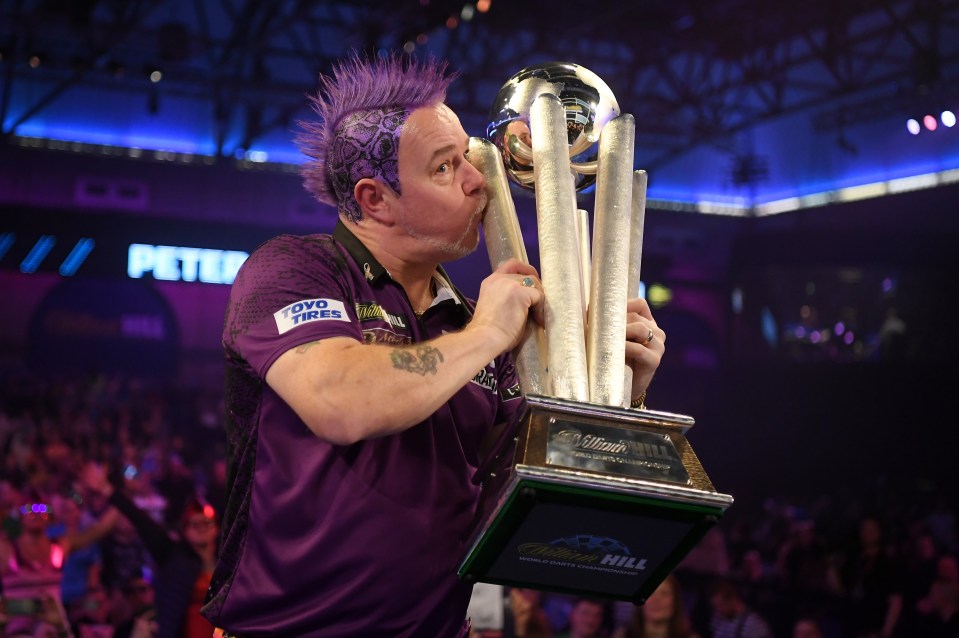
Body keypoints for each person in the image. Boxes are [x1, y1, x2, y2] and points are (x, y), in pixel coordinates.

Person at [199, 54, 665, 637]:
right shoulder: (296, 271)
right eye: (446, 168)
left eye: (467, 156)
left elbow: (547, 497)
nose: (478, 180)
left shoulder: (474, 325)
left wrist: (623, 398)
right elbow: (339, 399)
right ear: (375, 200)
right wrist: (489, 334)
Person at [613, 574, 699, 638]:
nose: (656, 600)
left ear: (675, 601)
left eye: (664, 594)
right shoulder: (623, 635)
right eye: (650, 594)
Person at [708, 579, 773, 638]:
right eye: (715, 607)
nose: (717, 611)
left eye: (720, 605)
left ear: (733, 600)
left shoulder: (753, 624)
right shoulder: (718, 619)